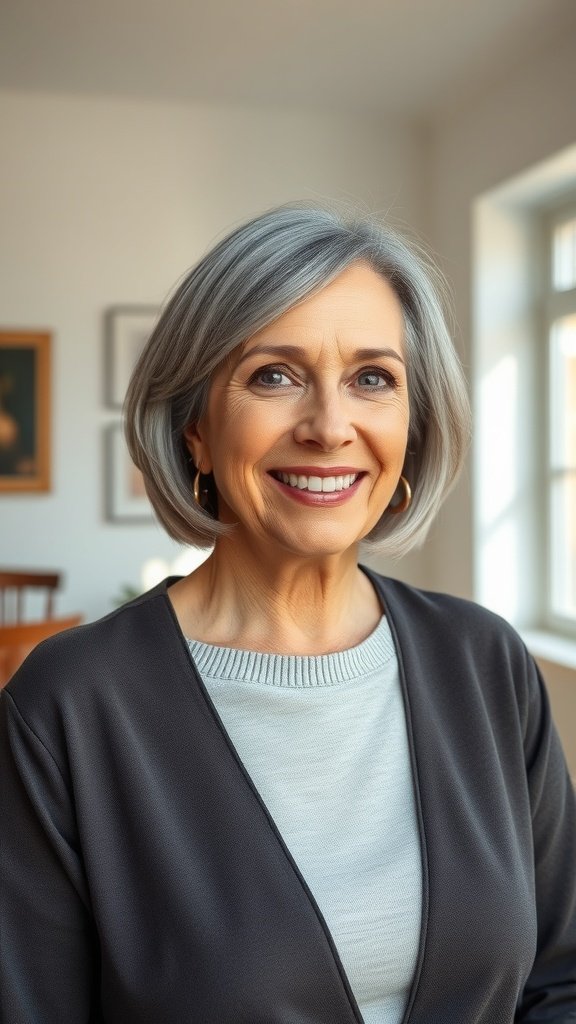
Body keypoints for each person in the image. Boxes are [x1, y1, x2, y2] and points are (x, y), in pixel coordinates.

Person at [1, 203, 575, 1024]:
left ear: (411, 427)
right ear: (196, 427)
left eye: (372, 378)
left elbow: (561, 980)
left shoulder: (483, 661)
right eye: (274, 375)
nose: (330, 426)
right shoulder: (70, 702)